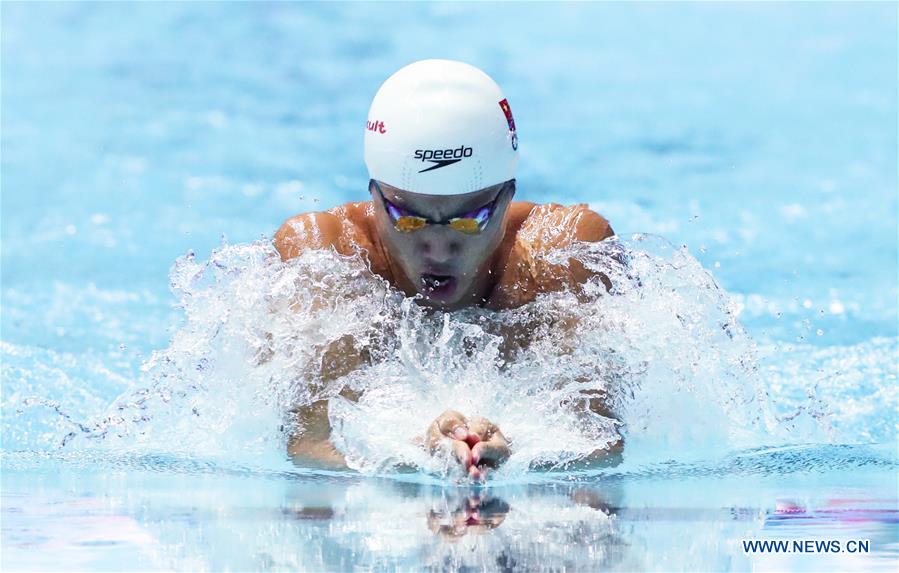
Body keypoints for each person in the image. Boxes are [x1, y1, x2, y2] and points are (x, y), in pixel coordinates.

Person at [274, 59, 616, 480]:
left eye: (470, 218)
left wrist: (518, 453)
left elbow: (602, 446)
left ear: (508, 197)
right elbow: (308, 444)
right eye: (407, 217)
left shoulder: (561, 257)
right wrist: (415, 459)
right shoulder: (331, 257)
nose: (437, 247)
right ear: (374, 196)